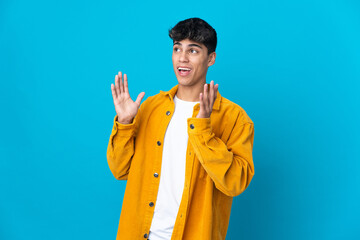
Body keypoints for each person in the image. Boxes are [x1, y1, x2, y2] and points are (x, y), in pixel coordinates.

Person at [107, 17, 255, 240]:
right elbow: (120, 170)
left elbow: (235, 183)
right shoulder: (150, 108)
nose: (182, 58)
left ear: (211, 58)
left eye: (193, 51)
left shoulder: (234, 118)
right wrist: (125, 123)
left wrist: (203, 131)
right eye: (177, 49)